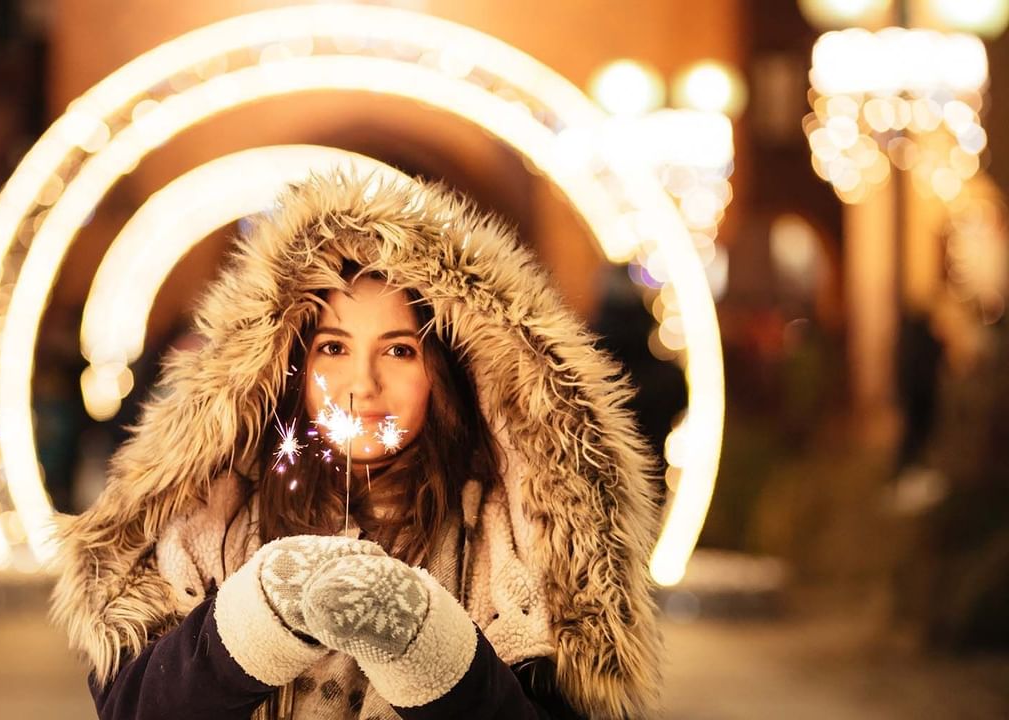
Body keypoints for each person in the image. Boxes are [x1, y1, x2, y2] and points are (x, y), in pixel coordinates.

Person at [51, 173, 662, 719]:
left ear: (442, 374)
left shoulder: (510, 537)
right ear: (290, 363)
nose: (362, 385)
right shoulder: (210, 516)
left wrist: (424, 642)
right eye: (333, 348)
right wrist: (260, 612)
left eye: (399, 350)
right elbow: (133, 707)